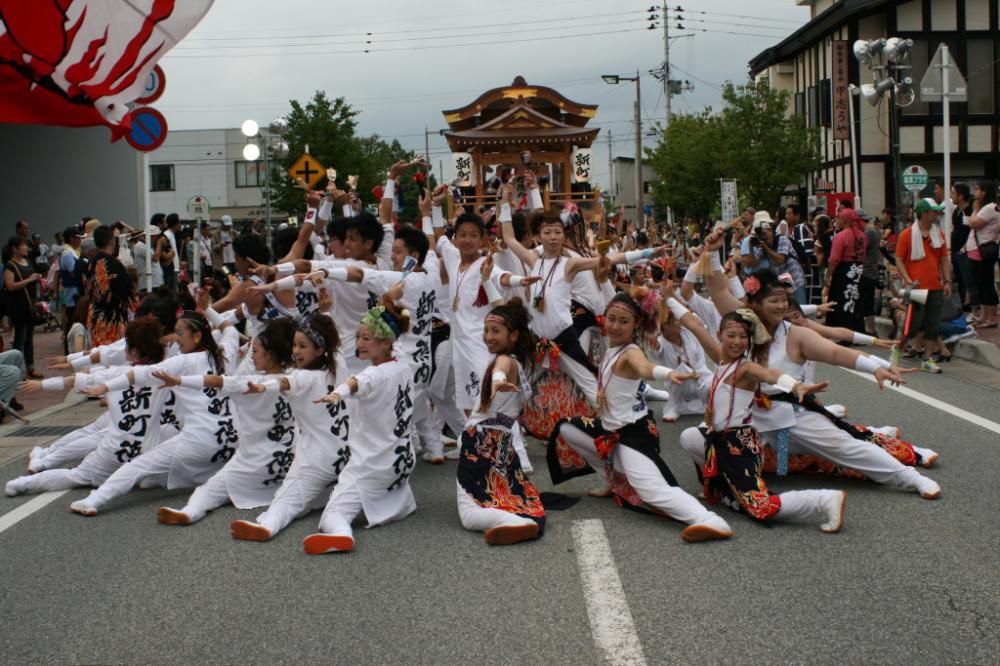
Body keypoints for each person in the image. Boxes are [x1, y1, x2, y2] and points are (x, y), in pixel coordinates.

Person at [699, 248, 941, 500]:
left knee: (844, 447)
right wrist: (713, 251)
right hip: (752, 417)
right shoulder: (743, 323)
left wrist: (876, 367)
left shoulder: (795, 334)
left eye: (784, 299)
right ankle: (785, 464)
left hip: (791, 417)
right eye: (774, 300)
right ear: (755, 303)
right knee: (721, 447)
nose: (782, 305)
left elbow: (836, 352)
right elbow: (717, 290)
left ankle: (909, 476)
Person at [549, 290, 734, 543]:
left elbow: (643, 367)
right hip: (610, 429)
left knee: (652, 491)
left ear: (635, 325)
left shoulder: (630, 352)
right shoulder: (611, 348)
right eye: (611, 319)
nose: (615, 326)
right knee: (568, 429)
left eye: (624, 321)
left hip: (633, 434)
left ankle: (709, 520)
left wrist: (665, 374)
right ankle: (613, 480)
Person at [670, 300, 846, 532]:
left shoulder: (746, 368)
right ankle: (722, 487)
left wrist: (795, 386)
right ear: (719, 334)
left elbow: (770, 374)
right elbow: (694, 325)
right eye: (731, 335)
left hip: (740, 445)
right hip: (720, 439)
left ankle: (823, 500)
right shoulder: (722, 359)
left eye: (743, 337)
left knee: (759, 506)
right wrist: (668, 297)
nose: (737, 342)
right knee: (690, 436)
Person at [69, 311, 240, 516]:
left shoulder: (183, 362)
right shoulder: (225, 354)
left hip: (199, 439)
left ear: (196, 336)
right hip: (231, 438)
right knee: (197, 468)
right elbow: (230, 330)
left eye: (179, 333)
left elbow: (140, 374)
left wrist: (106, 386)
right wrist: (209, 309)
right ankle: (226, 489)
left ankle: (94, 499)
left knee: (138, 466)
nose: (176, 338)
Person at [6, 317, 171, 496]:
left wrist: (42, 385)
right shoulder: (169, 373)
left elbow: (75, 380)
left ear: (134, 351)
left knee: (77, 474)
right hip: (149, 452)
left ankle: (23, 482)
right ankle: (146, 478)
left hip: (116, 448)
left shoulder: (119, 373)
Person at [155, 318, 297, 526]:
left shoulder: (253, 382)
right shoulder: (298, 378)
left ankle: (190, 512)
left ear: (270, 355)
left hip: (253, 461)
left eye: (255, 351)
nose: (252, 356)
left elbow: (216, 380)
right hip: (288, 460)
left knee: (208, 491)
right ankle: (270, 522)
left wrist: (179, 381)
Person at [228, 314, 347, 543]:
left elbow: (283, 382)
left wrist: (262, 386)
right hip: (346, 453)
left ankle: (268, 527)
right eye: (294, 344)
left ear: (320, 349)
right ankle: (341, 531)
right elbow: (337, 339)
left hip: (318, 458)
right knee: (328, 503)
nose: (296, 351)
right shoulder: (338, 363)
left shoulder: (302, 376)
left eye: (302, 346)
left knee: (287, 499)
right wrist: (328, 311)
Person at [311, 301, 417, 554]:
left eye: (367, 338)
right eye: (358, 336)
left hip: (372, 463)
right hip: (400, 459)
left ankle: (341, 535)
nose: (359, 343)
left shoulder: (374, 375)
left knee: (332, 515)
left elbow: (355, 382)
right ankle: (397, 504)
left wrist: (337, 393)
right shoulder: (403, 363)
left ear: (385, 342)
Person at [456, 299, 545, 546]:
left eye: (496, 331)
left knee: (470, 515)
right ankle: (514, 517)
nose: (488, 337)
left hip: (480, 442)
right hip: (502, 443)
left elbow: (499, 371)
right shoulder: (519, 363)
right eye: (486, 330)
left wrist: (496, 381)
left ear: (514, 336)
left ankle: (519, 524)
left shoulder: (504, 362)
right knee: (499, 494)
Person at [892, 198, 953, 372]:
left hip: (935, 285)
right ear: (925, 213)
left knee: (932, 324)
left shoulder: (938, 233)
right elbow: (898, 259)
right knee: (913, 324)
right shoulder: (907, 234)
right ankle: (897, 349)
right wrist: (907, 278)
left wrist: (947, 281)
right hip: (916, 287)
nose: (937, 214)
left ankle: (927, 358)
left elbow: (944, 259)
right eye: (934, 211)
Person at [84, 225, 138, 346]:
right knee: (112, 358)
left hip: (94, 318)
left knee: (98, 358)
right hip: (112, 321)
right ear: (112, 241)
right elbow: (128, 295)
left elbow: (88, 291)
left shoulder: (90, 264)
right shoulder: (115, 265)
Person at [3, 236, 42, 378]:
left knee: (29, 339)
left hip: (30, 305)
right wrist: (29, 280)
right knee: (20, 338)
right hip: (18, 307)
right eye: (23, 245)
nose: (26, 248)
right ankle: (15, 371)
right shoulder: (10, 265)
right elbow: (10, 286)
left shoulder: (28, 261)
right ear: (14, 248)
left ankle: (30, 368)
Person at [824, 208, 867, 333]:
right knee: (856, 301)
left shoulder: (840, 236)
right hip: (859, 269)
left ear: (845, 220)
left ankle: (844, 332)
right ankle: (858, 330)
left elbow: (834, 259)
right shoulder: (862, 236)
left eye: (839, 217)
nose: (837, 220)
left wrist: (828, 276)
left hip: (844, 271)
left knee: (843, 301)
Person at [966, 181, 999, 329]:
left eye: (978, 189)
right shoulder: (986, 207)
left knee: (986, 284)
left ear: (984, 192)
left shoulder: (989, 207)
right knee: (981, 284)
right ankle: (984, 316)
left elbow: (973, 223)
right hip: (978, 249)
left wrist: (974, 210)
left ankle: (990, 318)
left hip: (983, 250)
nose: (975, 192)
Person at [949, 184, 976, 315]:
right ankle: (961, 304)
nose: (951, 196)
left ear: (961, 196)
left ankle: (972, 305)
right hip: (955, 249)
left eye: (953, 193)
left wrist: (964, 247)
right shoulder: (956, 211)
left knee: (968, 278)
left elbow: (973, 230)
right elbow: (954, 228)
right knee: (958, 277)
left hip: (966, 250)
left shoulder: (970, 210)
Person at [859, 210, 883, 336]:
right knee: (868, 300)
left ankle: (870, 329)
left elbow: (861, 249)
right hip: (871, 269)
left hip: (866, 270)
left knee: (866, 301)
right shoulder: (875, 230)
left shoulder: (868, 232)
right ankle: (870, 328)